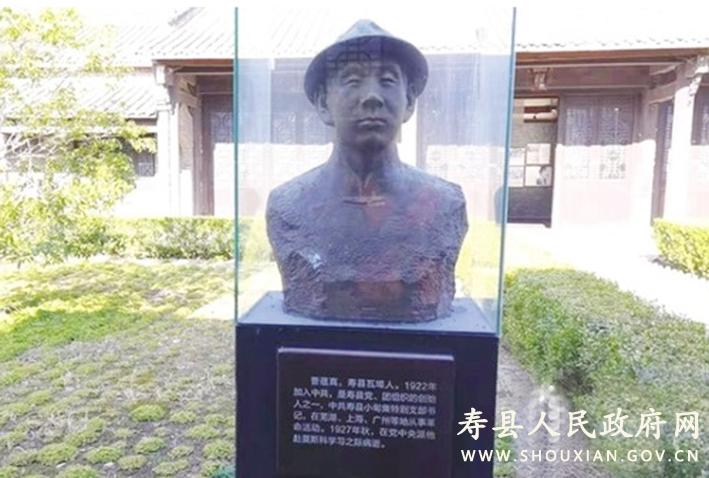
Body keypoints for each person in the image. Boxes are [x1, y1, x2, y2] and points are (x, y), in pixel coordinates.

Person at [266, 20, 468, 322]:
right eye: (352, 80)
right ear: (323, 103)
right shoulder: (287, 206)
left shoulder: (446, 204)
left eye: (387, 80)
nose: (372, 96)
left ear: (409, 102)